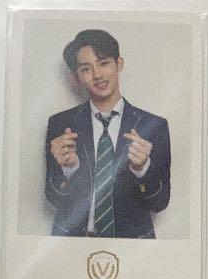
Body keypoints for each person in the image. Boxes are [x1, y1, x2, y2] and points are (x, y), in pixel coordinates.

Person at [45, 29, 171, 239]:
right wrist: (69, 169)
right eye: (86, 68)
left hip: (132, 246)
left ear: (118, 64)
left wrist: (142, 168)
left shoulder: (153, 126)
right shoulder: (61, 125)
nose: (97, 75)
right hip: (73, 244)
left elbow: (160, 203)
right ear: (76, 77)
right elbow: (53, 198)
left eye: (103, 63)